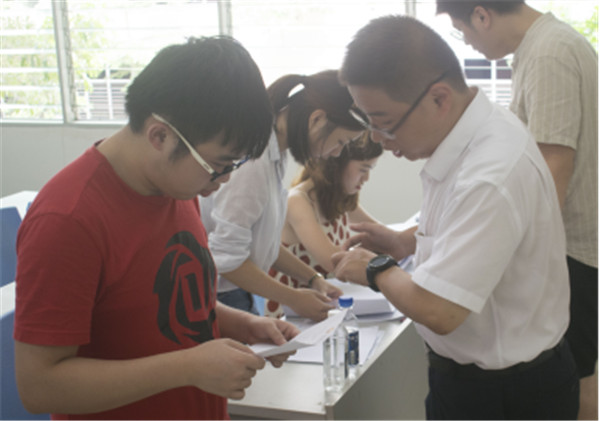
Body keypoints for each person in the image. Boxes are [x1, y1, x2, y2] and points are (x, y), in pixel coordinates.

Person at [14, 36, 299, 420]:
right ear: (160, 136)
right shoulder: (68, 220)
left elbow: (168, 309)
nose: (224, 180)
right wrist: (187, 368)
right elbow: (39, 386)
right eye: (219, 165)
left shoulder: (177, 187)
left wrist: (243, 324)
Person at [332, 15, 579, 420]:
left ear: (439, 99)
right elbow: (471, 228)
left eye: (385, 123)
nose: (377, 138)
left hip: (506, 396)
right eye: (367, 122)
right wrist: (405, 242)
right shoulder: (475, 133)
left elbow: (440, 310)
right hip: (473, 382)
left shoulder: (489, 173)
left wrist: (376, 268)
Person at [436, 1, 598, 418]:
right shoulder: (542, 47)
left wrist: (511, 246)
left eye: (462, 30)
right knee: (579, 376)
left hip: (571, 251)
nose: (467, 42)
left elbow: (552, 167)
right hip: (570, 247)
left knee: (577, 381)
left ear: (482, 15)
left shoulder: (548, 54)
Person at [200, 69, 365, 322]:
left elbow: (263, 241)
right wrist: (293, 298)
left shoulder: (275, 151)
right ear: (317, 119)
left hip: (239, 290)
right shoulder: (254, 160)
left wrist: (313, 279)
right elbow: (226, 258)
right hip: (224, 294)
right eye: (341, 142)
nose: (336, 153)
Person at [265, 135, 383, 318]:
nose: (366, 178)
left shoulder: (341, 197)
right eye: (363, 169)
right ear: (336, 164)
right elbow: (332, 262)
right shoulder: (298, 201)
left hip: (327, 300)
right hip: (293, 310)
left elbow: (382, 235)